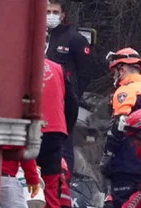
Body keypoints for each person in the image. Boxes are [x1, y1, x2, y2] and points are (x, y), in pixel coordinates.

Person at [21, 59, 79, 208]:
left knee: (14, 182)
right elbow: (72, 104)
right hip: (54, 133)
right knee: (51, 191)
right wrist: (64, 132)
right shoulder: (58, 69)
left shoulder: (17, 63)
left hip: (24, 130)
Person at [100, 48, 141, 208]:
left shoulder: (127, 90)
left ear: (122, 69)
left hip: (125, 164)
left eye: (115, 72)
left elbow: (119, 124)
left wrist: (107, 155)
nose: (114, 77)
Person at [46, 0, 94, 170]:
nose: (50, 16)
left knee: (64, 139)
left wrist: (73, 96)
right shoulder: (39, 35)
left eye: (54, 12)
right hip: (43, 99)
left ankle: (65, 179)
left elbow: (86, 71)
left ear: (62, 15)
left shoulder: (73, 38)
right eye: (47, 11)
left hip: (64, 100)